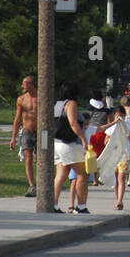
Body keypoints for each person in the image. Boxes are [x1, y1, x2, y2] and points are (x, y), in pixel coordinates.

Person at [51, 82, 90, 214]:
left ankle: (54, 204)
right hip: (69, 143)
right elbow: (73, 123)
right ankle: (81, 206)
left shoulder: (57, 105)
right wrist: (83, 139)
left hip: (56, 143)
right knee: (82, 174)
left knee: (60, 175)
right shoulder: (71, 104)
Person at [9, 75, 39, 197]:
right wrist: (13, 137)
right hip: (27, 131)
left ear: (31, 84)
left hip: (40, 131)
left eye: (24, 83)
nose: (22, 86)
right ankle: (32, 186)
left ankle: (43, 184)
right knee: (28, 158)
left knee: (42, 159)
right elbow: (17, 119)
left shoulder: (41, 98)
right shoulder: (21, 99)